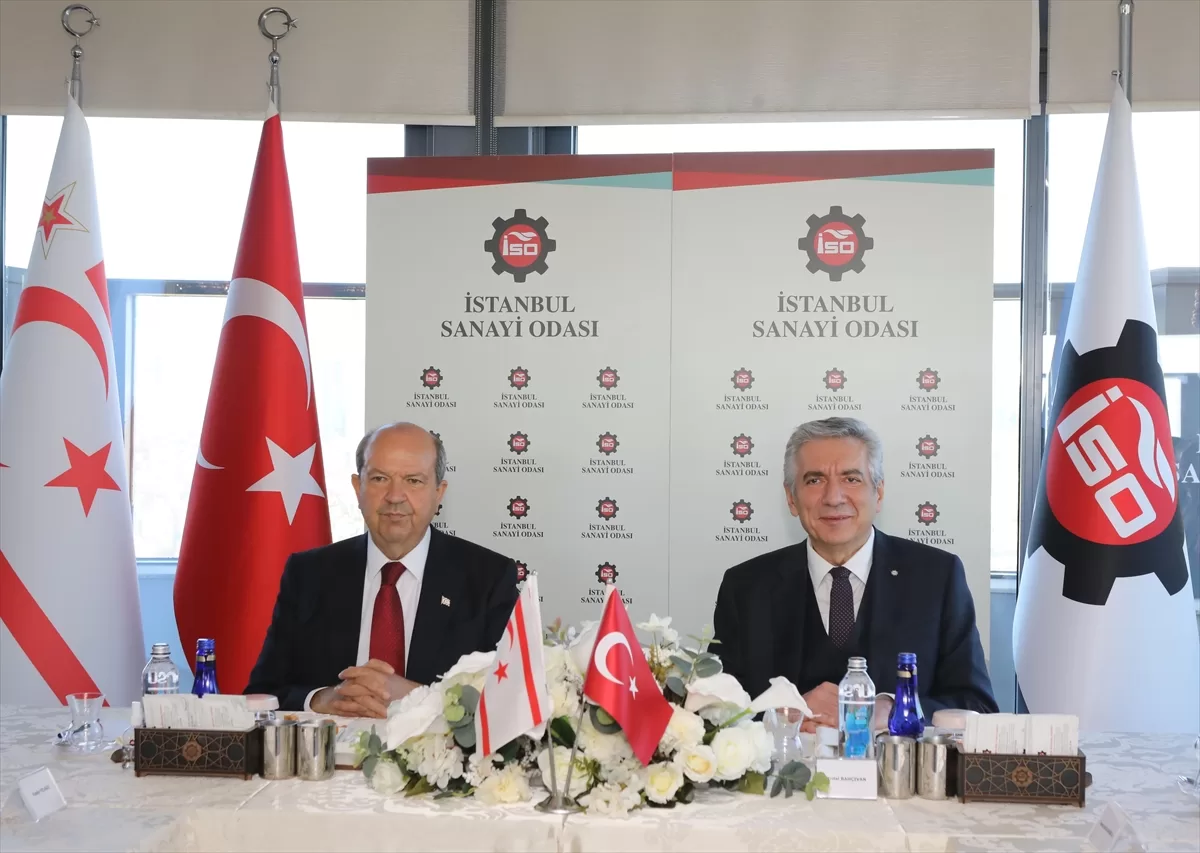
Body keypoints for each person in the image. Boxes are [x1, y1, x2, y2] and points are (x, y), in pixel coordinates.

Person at [713, 417, 997, 731]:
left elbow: (976, 706)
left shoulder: (936, 578)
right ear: (791, 498)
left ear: (879, 492)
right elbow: (714, 715)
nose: (833, 497)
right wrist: (781, 715)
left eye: (851, 479)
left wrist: (891, 710)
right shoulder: (746, 588)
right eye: (814, 480)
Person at [245, 423, 518, 716]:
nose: (395, 496)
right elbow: (262, 694)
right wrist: (321, 700)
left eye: (413, 481)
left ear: (439, 493)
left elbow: (512, 703)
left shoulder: (488, 578)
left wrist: (417, 698)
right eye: (379, 478)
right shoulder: (309, 574)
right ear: (357, 487)